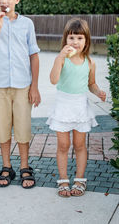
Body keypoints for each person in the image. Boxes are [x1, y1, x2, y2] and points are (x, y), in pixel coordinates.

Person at [0, 0, 41, 189]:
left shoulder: (27, 24)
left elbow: (34, 55)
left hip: (23, 86)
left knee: (23, 129)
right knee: (3, 129)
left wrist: (34, 86)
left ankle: (25, 166)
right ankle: (7, 166)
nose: (4, 0)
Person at [46, 18, 106, 197]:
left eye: (80, 38)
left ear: (86, 41)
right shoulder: (63, 60)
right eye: (72, 38)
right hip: (63, 106)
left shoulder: (90, 62)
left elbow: (91, 83)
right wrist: (60, 57)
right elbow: (53, 79)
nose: (75, 42)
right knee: (63, 145)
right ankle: (63, 180)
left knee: (80, 145)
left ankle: (80, 180)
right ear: (65, 39)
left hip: (80, 107)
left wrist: (98, 92)